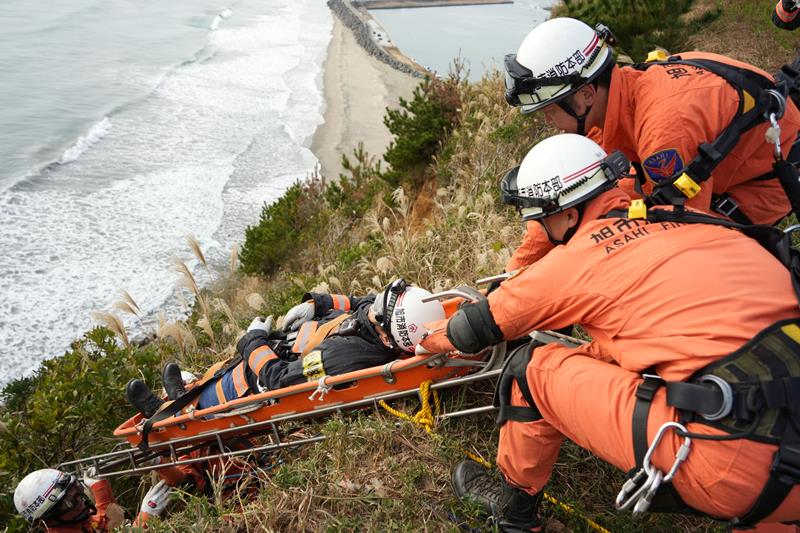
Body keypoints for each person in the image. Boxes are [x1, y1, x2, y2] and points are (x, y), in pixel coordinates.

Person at [417, 134, 800, 530]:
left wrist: (420, 337)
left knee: (529, 371)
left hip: (731, 463)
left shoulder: (576, 259)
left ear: (565, 214)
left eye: (539, 218)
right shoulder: (696, 221)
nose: (539, 229)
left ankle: (513, 516)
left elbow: (474, 328)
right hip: (792, 455)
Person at [501, 17, 800, 272]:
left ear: (585, 96)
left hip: (766, 179)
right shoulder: (619, 96)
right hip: (723, 158)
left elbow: (685, 234)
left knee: (659, 253)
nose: (548, 122)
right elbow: (565, 193)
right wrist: (512, 276)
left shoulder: (663, 129)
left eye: (550, 110)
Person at [126, 280, 446, 414]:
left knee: (224, 386)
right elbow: (363, 305)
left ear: (388, 336)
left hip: (256, 384)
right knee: (220, 369)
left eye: (379, 310)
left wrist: (253, 340)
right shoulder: (382, 324)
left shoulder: (342, 358)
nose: (373, 305)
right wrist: (317, 304)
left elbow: (278, 380)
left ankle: (169, 413)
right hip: (289, 344)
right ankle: (185, 389)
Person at [13, 467, 170, 531]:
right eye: (69, 502)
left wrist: (99, 488)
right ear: (46, 520)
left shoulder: (76, 522)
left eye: (75, 492)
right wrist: (146, 516)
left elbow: (110, 525)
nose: (79, 501)